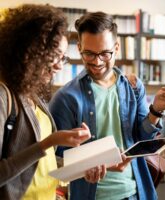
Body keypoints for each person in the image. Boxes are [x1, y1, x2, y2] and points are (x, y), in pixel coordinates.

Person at [49, 11, 165, 200]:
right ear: (79, 48)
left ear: (117, 48)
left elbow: (142, 138)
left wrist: (156, 110)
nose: (97, 62)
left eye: (105, 53)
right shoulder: (65, 98)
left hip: (136, 192)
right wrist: (88, 164)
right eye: (89, 53)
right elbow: (55, 160)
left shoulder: (134, 87)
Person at [0, 5, 106, 200]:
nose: (59, 65)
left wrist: (82, 168)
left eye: (62, 57)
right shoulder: (3, 96)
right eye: (53, 56)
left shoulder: (32, 94)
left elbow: (43, 163)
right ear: (28, 51)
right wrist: (50, 141)